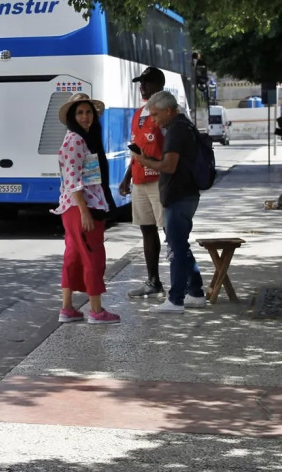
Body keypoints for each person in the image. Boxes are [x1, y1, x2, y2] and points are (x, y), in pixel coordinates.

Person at [132, 91, 205, 313]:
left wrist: (144, 160)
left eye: (155, 115)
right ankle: (196, 292)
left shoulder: (175, 130)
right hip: (187, 193)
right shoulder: (185, 126)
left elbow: (169, 166)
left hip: (178, 195)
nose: (154, 120)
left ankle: (175, 300)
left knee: (176, 247)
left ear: (168, 111)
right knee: (180, 245)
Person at [51, 93, 120, 324]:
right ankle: (96, 311)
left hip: (75, 207)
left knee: (73, 256)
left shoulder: (82, 139)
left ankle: (68, 308)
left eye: (88, 112)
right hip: (82, 207)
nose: (85, 117)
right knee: (93, 256)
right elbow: (73, 180)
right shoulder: (76, 141)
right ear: (72, 116)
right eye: (80, 112)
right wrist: (84, 211)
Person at [119, 67, 167, 298]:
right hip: (139, 180)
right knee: (147, 231)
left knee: (171, 231)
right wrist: (127, 177)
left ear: (160, 84)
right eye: (141, 83)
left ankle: (186, 282)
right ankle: (153, 281)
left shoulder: (167, 113)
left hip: (161, 180)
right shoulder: (138, 114)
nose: (143, 87)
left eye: (147, 83)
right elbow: (136, 150)